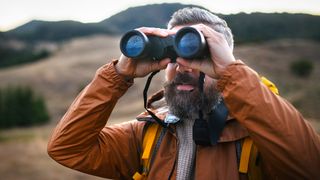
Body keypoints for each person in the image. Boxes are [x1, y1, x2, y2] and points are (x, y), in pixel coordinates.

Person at [47, 7, 320, 180]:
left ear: (224, 62)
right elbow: (67, 149)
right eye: (174, 56)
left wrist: (231, 73)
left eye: (199, 55)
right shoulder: (147, 134)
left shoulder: (259, 135)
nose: (184, 67)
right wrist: (118, 74)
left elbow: (310, 167)